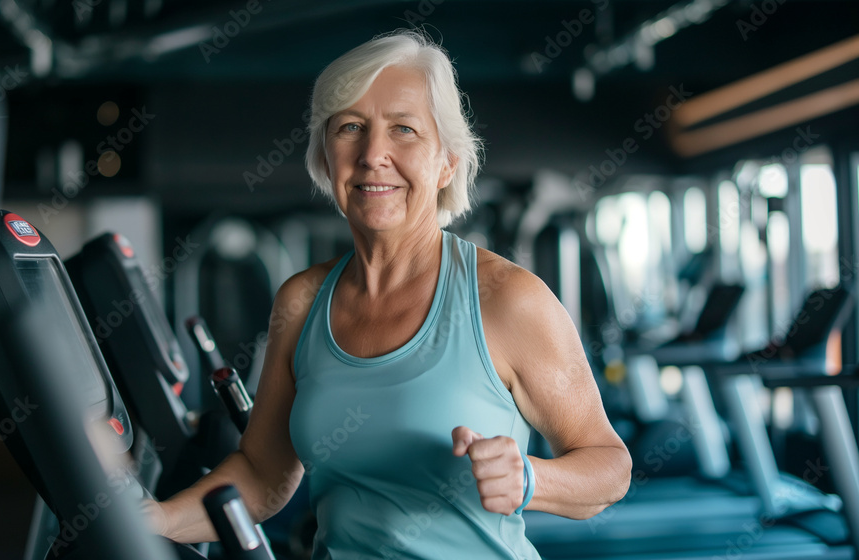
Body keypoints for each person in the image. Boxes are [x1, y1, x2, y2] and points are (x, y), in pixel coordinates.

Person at [146, 29, 631, 559]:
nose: (373, 153)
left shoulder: (508, 299)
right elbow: (263, 477)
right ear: (326, 157)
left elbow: (610, 468)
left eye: (403, 129)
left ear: (446, 161)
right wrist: (157, 518)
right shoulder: (301, 302)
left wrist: (531, 480)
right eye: (350, 127)